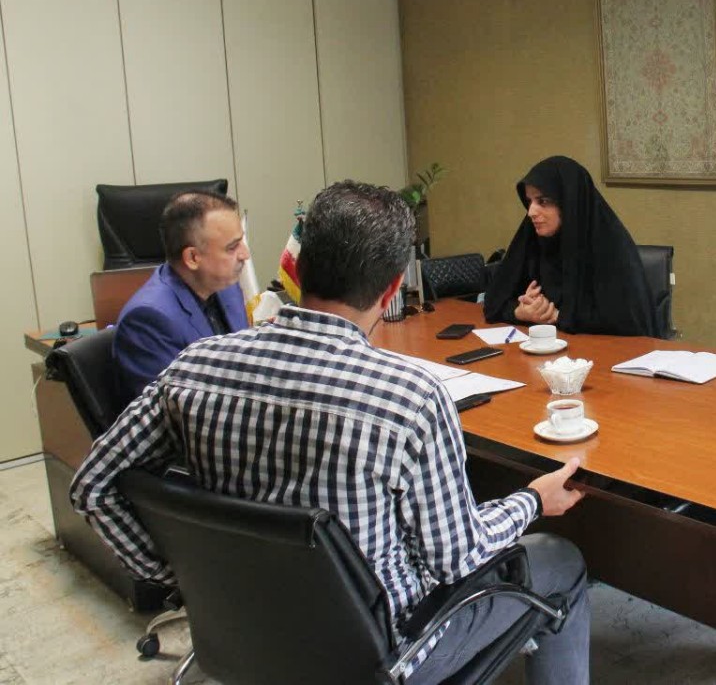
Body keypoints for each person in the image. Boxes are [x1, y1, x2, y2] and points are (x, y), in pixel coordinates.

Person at [72, 181, 591, 684]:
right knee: (559, 559)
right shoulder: (408, 398)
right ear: (392, 289)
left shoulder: (192, 368)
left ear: (297, 268)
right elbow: (456, 558)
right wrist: (530, 500)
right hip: (381, 654)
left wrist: (183, 577)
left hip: (242, 630)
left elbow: (93, 486)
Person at [484, 155, 659, 336]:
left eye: (543, 201)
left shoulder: (611, 249)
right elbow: (494, 301)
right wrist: (521, 311)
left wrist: (558, 316)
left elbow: (627, 321)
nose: (531, 212)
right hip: (542, 348)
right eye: (529, 201)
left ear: (569, 203)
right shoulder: (531, 239)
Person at [112, 190, 250, 406]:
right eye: (232, 247)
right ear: (193, 257)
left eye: (241, 241)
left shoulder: (226, 287)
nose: (245, 254)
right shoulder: (147, 320)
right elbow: (174, 411)